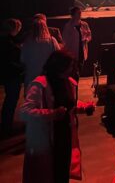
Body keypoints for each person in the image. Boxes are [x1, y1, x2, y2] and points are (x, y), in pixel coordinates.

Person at [20, 49, 95, 183]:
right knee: (47, 173)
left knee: (62, 169)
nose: (72, 70)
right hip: (47, 137)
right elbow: (26, 111)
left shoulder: (69, 82)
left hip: (65, 133)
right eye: (70, 66)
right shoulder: (40, 84)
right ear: (59, 66)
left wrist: (84, 107)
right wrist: (52, 114)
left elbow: (69, 104)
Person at [21, 18, 60, 89]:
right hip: (47, 76)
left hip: (31, 76)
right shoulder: (52, 41)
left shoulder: (27, 42)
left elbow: (22, 59)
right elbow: (58, 57)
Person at [0, 18, 23, 135]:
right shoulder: (9, 42)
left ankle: (6, 123)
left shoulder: (5, 40)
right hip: (12, 74)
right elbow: (10, 60)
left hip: (7, 73)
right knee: (11, 99)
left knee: (10, 98)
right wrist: (21, 67)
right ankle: (6, 125)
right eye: (18, 28)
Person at [61, 6, 92, 78]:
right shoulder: (68, 26)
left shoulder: (84, 24)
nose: (80, 14)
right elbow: (64, 40)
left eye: (80, 13)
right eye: (78, 13)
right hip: (72, 52)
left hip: (82, 52)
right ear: (73, 15)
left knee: (79, 70)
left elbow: (89, 35)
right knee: (73, 73)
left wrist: (86, 39)